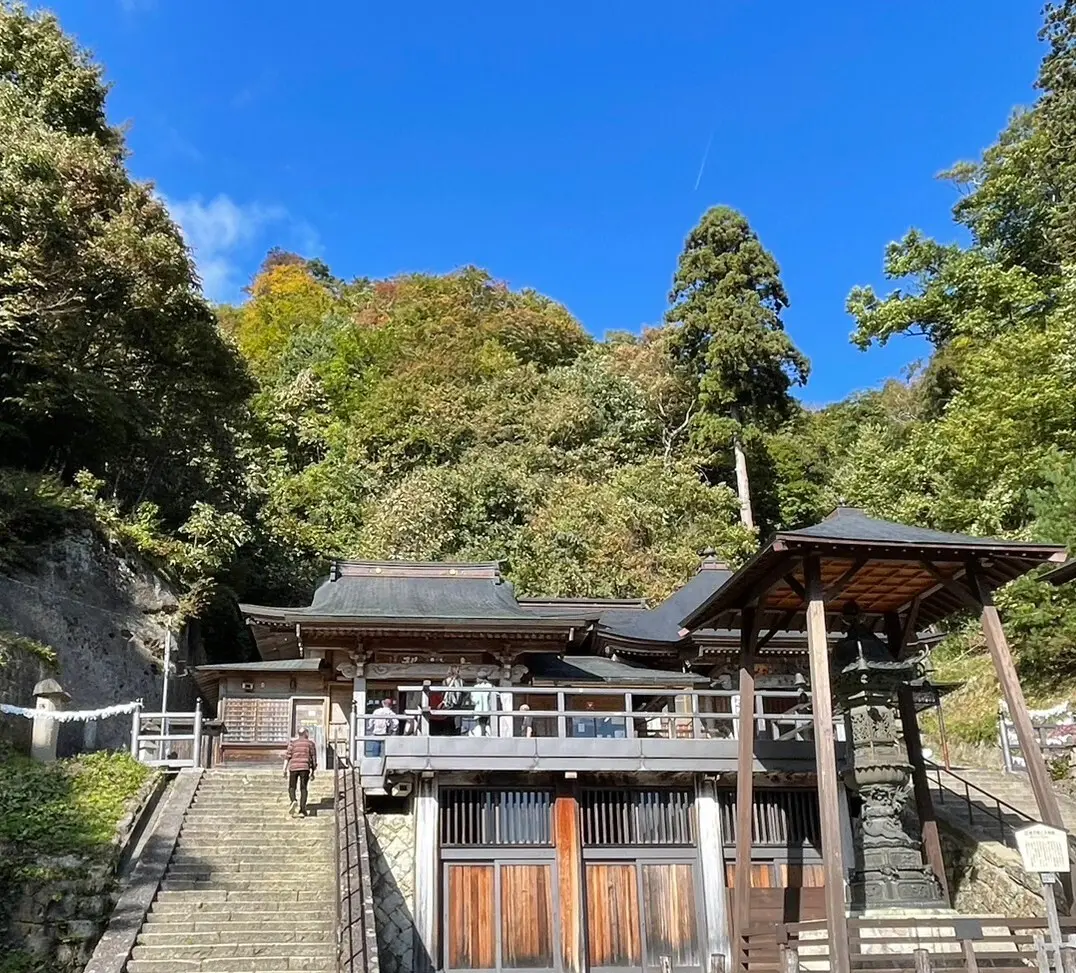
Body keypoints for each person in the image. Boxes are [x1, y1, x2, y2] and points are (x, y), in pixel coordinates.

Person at [283, 727, 317, 817]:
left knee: (292, 786)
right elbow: (313, 758)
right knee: (303, 788)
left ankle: (293, 800)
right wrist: (313, 771)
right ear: (306, 733)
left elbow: (287, 756)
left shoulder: (293, 743)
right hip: (304, 768)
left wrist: (284, 769)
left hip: (293, 767)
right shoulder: (310, 744)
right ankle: (302, 810)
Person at [470, 672, 494, 737]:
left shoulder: (476, 687)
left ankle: (482, 735)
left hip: (479, 707)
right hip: (488, 708)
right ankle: (485, 734)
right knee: (486, 722)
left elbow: (474, 699)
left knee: (481, 723)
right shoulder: (490, 686)